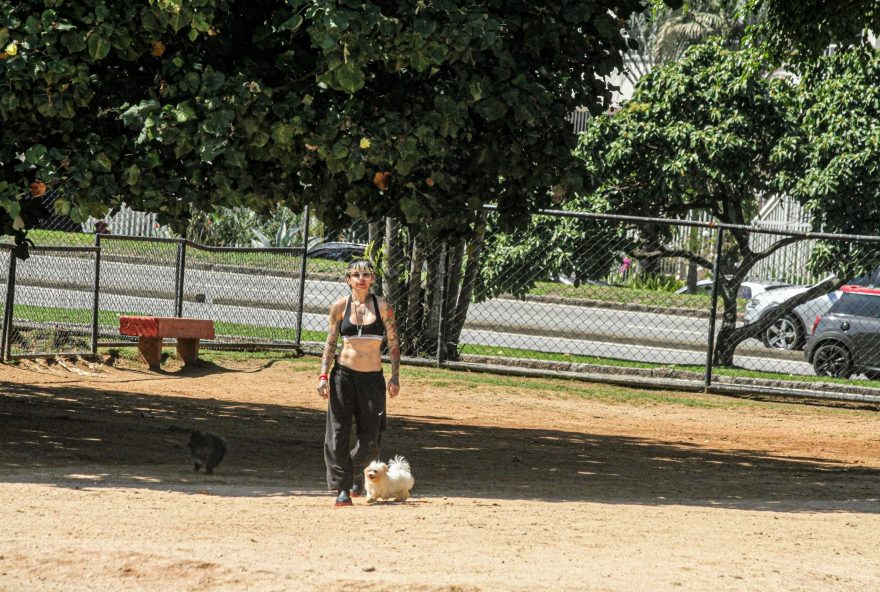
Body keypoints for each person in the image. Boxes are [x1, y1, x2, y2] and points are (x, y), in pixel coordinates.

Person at [317, 259, 401, 507]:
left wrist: (395, 377)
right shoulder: (339, 307)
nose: (361, 278)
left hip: (372, 378)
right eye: (356, 274)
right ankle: (342, 488)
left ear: (373, 279)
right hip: (344, 376)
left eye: (366, 274)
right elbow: (330, 342)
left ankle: (352, 470)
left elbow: (394, 345)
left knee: (371, 439)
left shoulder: (383, 307)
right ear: (348, 280)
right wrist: (323, 375)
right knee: (338, 433)